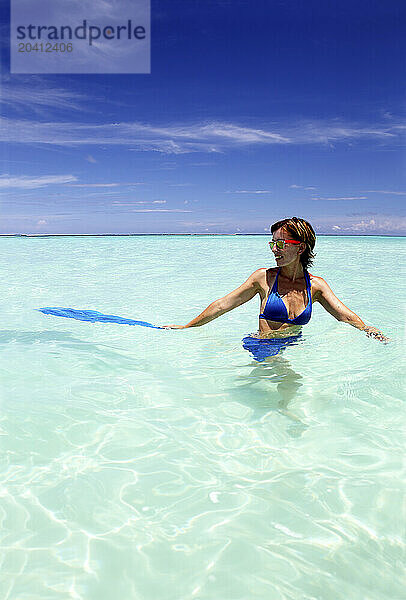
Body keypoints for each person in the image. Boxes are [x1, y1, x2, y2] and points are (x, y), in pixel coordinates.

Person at [163, 217, 388, 358]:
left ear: (300, 248)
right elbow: (222, 305)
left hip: (292, 347)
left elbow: (345, 316)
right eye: (272, 243)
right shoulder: (262, 279)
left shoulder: (316, 286)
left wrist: (368, 329)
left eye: (280, 244)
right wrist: (187, 327)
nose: (274, 249)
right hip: (261, 346)